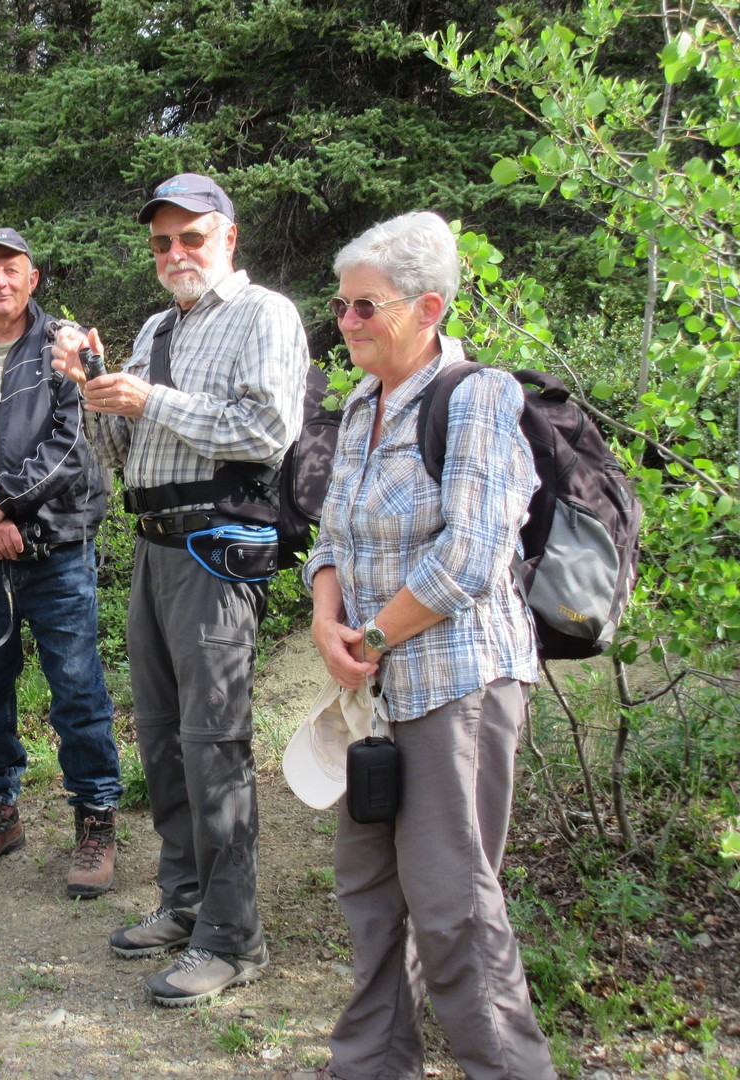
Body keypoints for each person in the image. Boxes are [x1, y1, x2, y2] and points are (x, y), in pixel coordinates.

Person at [276, 211, 555, 1079]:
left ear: (428, 307)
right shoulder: (363, 401)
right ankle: (369, 1065)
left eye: (366, 306)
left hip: (457, 685)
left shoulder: (479, 398)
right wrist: (325, 620)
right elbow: (330, 531)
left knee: (452, 906)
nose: (346, 322)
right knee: (368, 892)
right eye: (340, 305)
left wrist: (368, 636)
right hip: (374, 695)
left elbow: (471, 555)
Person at [52, 174, 310, 1006]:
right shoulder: (157, 328)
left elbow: (268, 430)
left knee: (212, 742)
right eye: (162, 242)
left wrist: (152, 399)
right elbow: (116, 448)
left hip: (217, 553)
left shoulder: (265, 314)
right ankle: (186, 901)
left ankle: (233, 937)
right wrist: (91, 386)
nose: (174, 253)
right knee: (162, 738)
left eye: (191, 237)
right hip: (153, 547)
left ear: (228, 237)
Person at [0, 226, 122, 899]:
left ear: (32, 278)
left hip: (58, 550)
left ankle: (96, 822)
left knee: (78, 690)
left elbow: (74, 445)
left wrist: (2, 505)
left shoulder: (67, 348)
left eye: (10, 269)